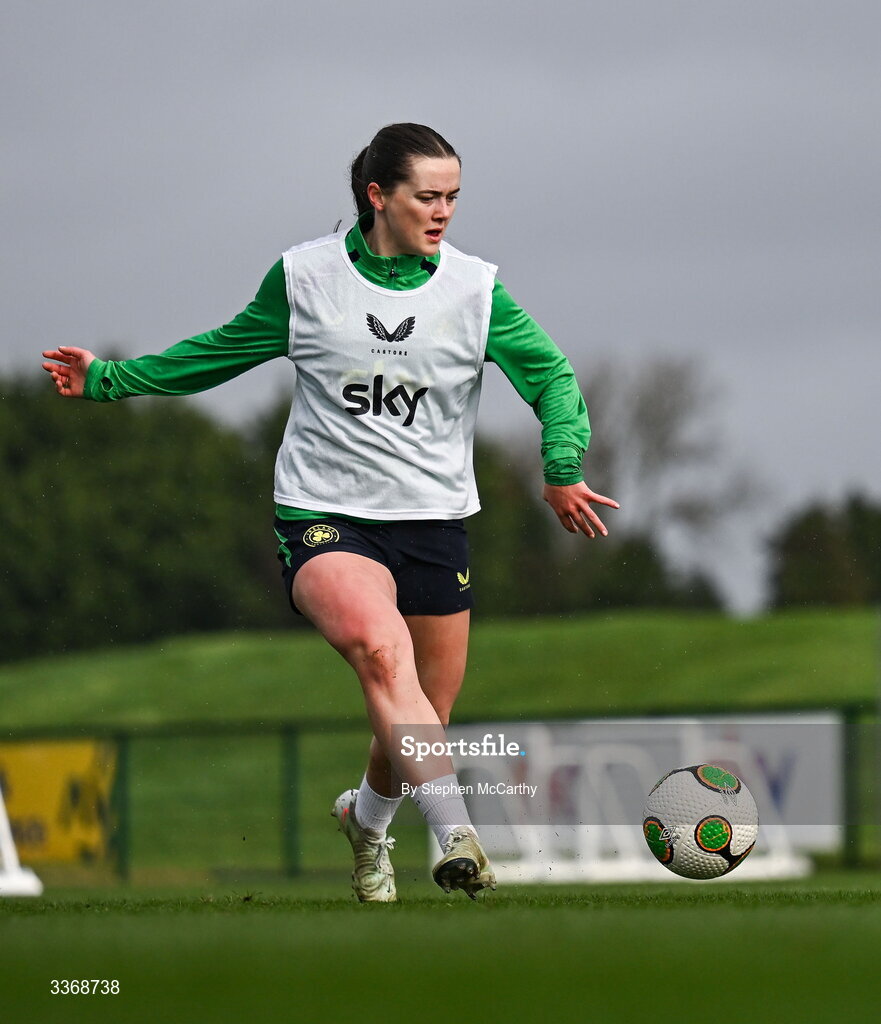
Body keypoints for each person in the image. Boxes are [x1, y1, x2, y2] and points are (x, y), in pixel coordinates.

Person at [42, 122, 618, 902]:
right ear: (377, 195)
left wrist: (561, 469)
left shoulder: (475, 289)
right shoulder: (305, 277)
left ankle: (366, 822)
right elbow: (219, 349)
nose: (443, 211)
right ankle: (458, 837)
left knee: (422, 712)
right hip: (323, 515)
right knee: (383, 658)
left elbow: (550, 377)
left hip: (433, 521)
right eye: (427, 195)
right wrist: (109, 378)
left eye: (453, 196)